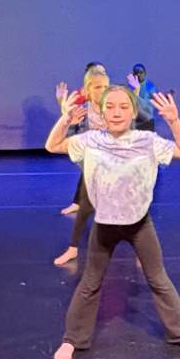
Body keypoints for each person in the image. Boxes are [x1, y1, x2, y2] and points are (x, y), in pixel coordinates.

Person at [46, 86, 180, 359]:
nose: (116, 112)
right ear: (101, 111)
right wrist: (66, 119)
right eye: (110, 107)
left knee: (158, 278)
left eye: (123, 107)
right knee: (90, 282)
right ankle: (72, 339)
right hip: (104, 225)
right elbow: (52, 146)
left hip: (139, 223)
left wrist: (174, 121)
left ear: (133, 112)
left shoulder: (147, 140)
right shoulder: (91, 140)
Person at [52, 63, 110, 264]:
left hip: (114, 162)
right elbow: (63, 139)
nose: (102, 91)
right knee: (86, 207)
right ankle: (73, 248)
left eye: (105, 86)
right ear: (87, 90)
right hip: (93, 161)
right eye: (97, 87)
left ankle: (143, 249)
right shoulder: (83, 110)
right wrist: (67, 117)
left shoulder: (114, 105)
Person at [126, 64, 160, 131]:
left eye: (141, 72)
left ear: (145, 73)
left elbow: (152, 104)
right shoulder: (130, 86)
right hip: (134, 121)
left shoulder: (150, 86)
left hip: (147, 120)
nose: (138, 75)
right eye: (136, 73)